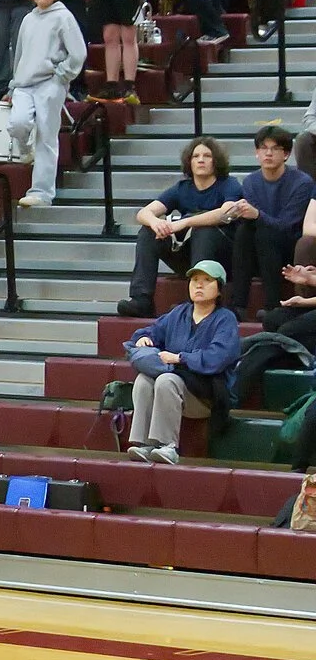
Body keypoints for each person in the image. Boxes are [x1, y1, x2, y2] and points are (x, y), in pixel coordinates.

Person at [124, 261, 238, 464]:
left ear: (219, 289)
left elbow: (217, 358)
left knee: (167, 379)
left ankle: (167, 445)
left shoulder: (225, 319)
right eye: (194, 280)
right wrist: (143, 338)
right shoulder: (179, 313)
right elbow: (151, 330)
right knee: (143, 379)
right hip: (176, 386)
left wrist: (180, 358)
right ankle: (143, 443)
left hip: (206, 396)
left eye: (206, 280)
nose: (199, 285)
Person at [117, 138, 236, 317]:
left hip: (221, 259)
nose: (201, 160)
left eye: (207, 156)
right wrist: (156, 222)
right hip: (188, 256)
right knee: (148, 231)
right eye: (196, 156)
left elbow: (226, 214)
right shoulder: (182, 188)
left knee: (203, 231)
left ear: (216, 161)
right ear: (189, 161)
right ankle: (142, 300)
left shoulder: (229, 184)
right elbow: (143, 213)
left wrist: (185, 222)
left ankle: (194, 304)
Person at [6, 0, 86, 210]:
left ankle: (41, 192)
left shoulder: (64, 18)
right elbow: (19, 54)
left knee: (46, 137)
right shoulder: (27, 19)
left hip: (50, 84)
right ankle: (24, 149)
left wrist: (62, 76)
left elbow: (78, 52)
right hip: (23, 83)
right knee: (17, 123)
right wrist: (13, 82)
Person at [224, 126, 315, 319]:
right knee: (244, 231)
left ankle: (272, 306)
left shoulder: (302, 183)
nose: (268, 153)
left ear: (287, 154)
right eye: (263, 148)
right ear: (256, 153)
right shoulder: (250, 182)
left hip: (289, 247)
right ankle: (238, 305)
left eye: (275, 148)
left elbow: (288, 226)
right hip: (257, 248)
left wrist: (257, 215)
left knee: (264, 231)